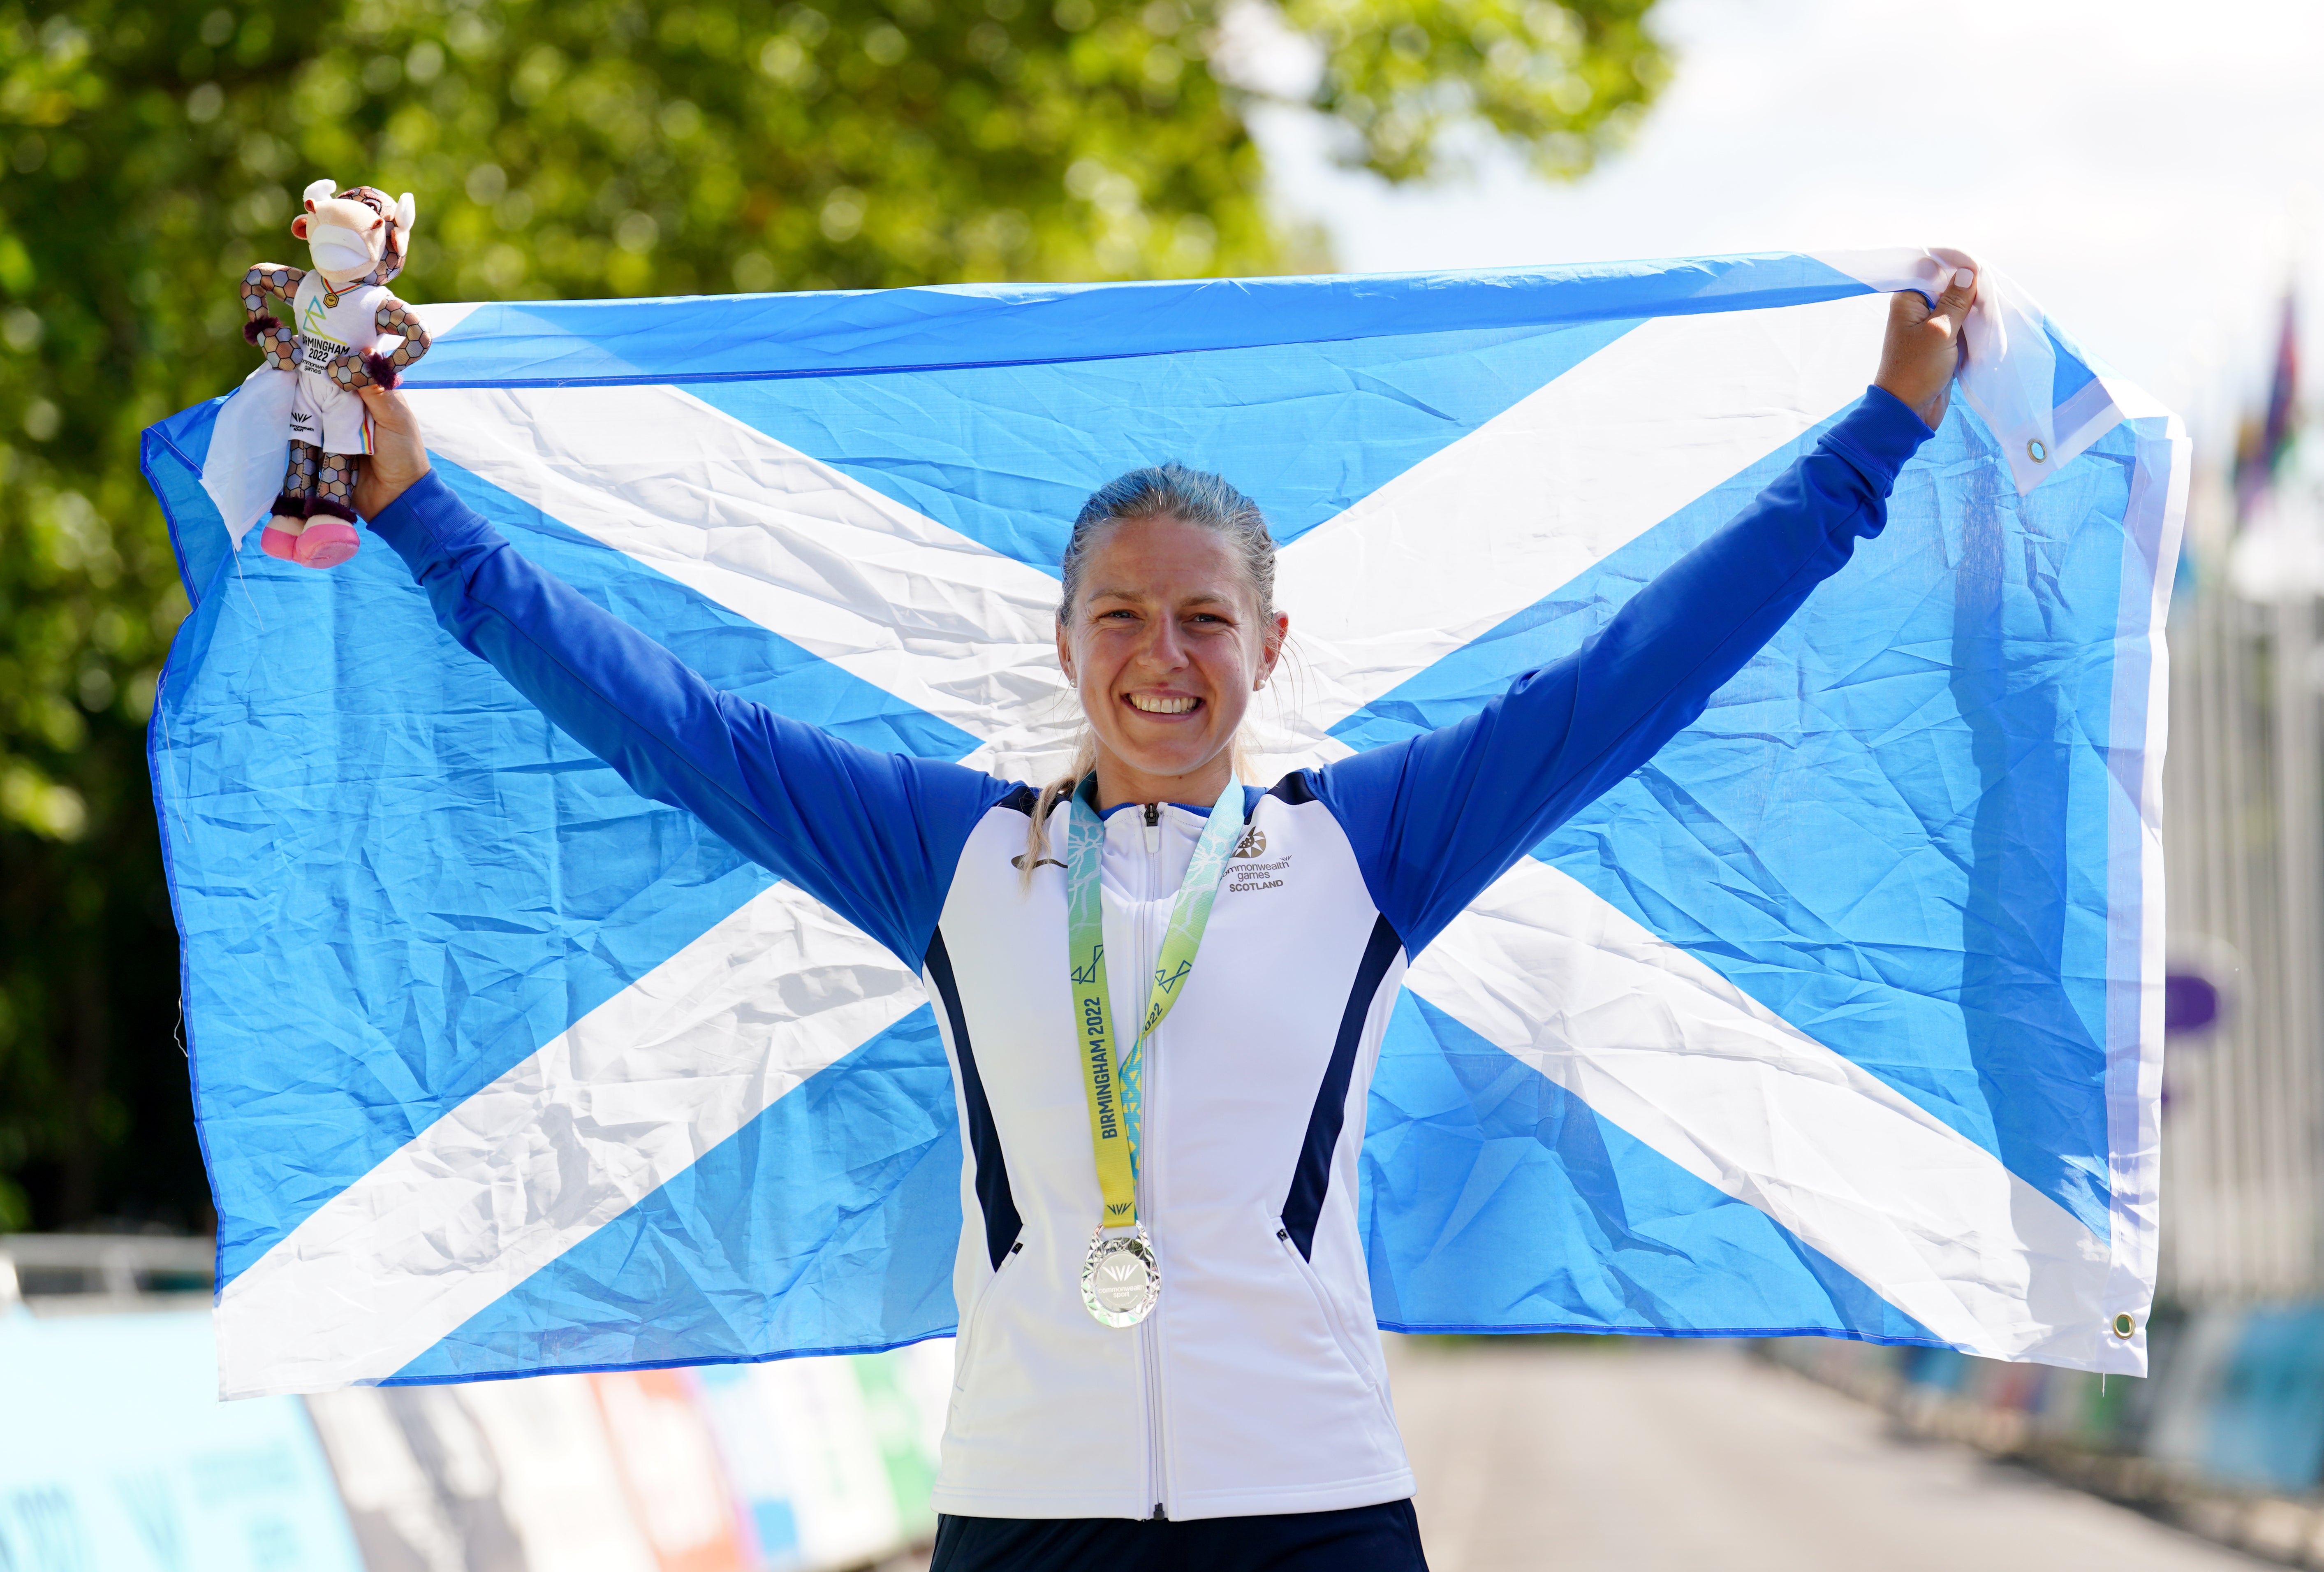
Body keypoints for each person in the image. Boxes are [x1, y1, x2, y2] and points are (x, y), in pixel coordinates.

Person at [349, 267, 1977, 1572]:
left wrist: (1878, 439)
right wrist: (422, 510)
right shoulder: (953, 852)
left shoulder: (1373, 843)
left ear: (1271, 644)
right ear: (1064, 643)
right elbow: (669, 721)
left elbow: (1642, 669)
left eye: (1207, 617)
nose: (1164, 655)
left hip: (1315, 1499)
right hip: (1026, 1505)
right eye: (1121, 614)